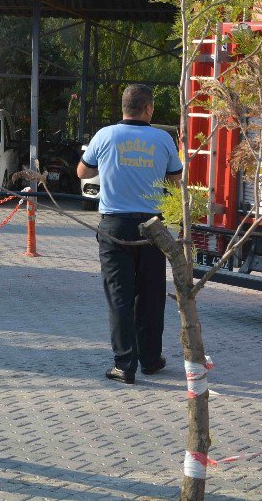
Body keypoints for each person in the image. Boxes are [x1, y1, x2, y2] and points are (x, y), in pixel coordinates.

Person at [76, 84, 182, 385]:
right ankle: (150, 360)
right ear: (148, 109)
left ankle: (124, 365)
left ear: (123, 107)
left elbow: (82, 172)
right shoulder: (163, 138)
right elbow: (176, 180)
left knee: (120, 297)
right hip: (152, 228)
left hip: (115, 228)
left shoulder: (105, 135)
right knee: (151, 295)